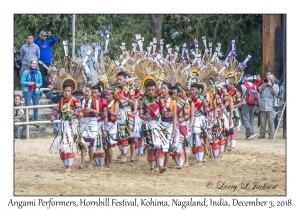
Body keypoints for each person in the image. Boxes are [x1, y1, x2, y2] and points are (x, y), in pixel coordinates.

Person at [49, 82, 83, 172]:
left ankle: (70, 166)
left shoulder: (75, 102)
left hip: (72, 126)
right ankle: (66, 165)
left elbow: (81, 114)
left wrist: (75, 113)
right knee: (62, 145)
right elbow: (56, 111)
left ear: (71, 91)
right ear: (63, 91)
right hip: (63, 126)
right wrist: (53, 116)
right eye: (65, 91)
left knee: (70, 144)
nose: (67, 93)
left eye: (68, 91)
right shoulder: (60, 103)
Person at [138, 76, 169, 173]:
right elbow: (140, 114)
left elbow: (164, 111)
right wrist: (145, 118)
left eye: (152, 90)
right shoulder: (143, 101)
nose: (151, 92)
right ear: (146, 90)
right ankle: (152, 167)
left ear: (155, 89)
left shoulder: (159, 100)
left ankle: (160, 167)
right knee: (150, 147)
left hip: (157, 125)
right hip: (147, 126)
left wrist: (166, 113)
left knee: (159, 146)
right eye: (149, 90)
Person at [114, 71, 136, 163]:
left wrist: (125, 98)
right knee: (118, 136)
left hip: (127, 113)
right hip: (119, 114)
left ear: (125, 80)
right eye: (117, 79)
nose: (119, 81)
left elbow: (134, 102)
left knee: (125, 136)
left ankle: (125, 155)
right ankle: (123, 152)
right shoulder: (116, 91)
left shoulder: (129, 90)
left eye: (120, 79)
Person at [79, 86, 99, 169]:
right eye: (85, 91)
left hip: (92, 122)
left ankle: (90, 162)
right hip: (83, 121)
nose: (86, 93)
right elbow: (78, 111)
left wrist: (90, 110)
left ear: (91, 92)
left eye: (88, 91)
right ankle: (82, 162)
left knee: (91, 144)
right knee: (82, 143)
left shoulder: (95, 101)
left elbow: (97, 112)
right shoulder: (80, 101)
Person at [171, 85, 190, 169]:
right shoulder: (170, 102)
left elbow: (187, 115)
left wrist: (179, 121)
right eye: (171, 93)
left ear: (178, 93)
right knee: (172, 148)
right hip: (172, 126)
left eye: (174, 93)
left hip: (181, 127)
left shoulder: (183, 103)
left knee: (180, 145)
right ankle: (178, 163)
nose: (173, 95)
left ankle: (181, 163)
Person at [20, 59, 43, 125]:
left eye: (35, 64)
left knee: (36, 107)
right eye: (33, 63)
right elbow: (22, 81)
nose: (34, 65)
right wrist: (29, 83)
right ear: (30, 64)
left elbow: (41, 82)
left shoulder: (38, 73)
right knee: (27, 106)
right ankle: (26, 120)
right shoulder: (26, 72)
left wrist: (38, 85)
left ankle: (35, 121)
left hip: (36, 91)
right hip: (28, 91)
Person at [258, 70, 279, 139]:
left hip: (270, 106)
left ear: (272, 76)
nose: (268, 76)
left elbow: (275, 93)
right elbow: (258, 90)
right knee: (262, 122)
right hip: (263, 105)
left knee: (271, 122)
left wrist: (270, 86)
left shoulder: (275, 85)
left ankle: (271, 135)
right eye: (267, 74)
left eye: (269, 74)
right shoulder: (263, 84)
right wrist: (263, 83)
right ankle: (262, 134)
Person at [104, 87, 119, 167]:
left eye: (109, 95)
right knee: (105, 145)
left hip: (112, 123)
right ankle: (105, 161)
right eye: (106, 95)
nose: (107, 96)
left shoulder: (115, 102)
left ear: (112, 95)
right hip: (105, 123)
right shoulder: (104, 102)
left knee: (109, 144)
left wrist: (110, 112)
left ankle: (110, 162)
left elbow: (116, 114)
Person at [240, 75, 258, 140]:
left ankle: (252, 132)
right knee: (251, 119)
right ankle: (248, 135)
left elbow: (240, 95)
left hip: (245, 103)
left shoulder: (242, 86)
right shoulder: (255, 86)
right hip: (253, 104)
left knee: (245, 118)